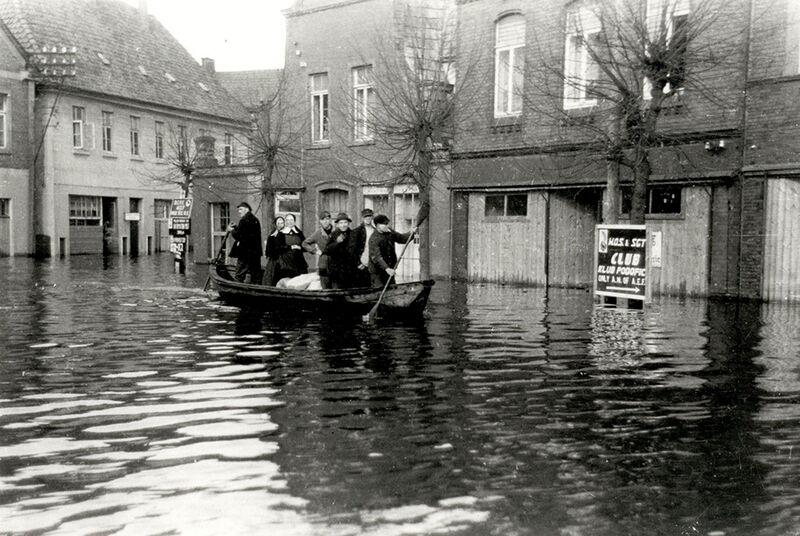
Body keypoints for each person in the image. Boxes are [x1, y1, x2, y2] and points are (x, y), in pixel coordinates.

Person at [368, 214, 417, 287]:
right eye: (385, 224)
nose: (387, 226)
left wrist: (411, 233)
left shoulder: (389, 232)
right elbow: (377, 257)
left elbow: (402, 238)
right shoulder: (374, 239)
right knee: (379, 291)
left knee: (392, 289)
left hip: (390, 268)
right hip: (378, 272)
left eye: (387, 224)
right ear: (378, 225)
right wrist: (386, 268)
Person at [228, 202, 263, 283]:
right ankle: (256, 289)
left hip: (245, 253)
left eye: (241, 209)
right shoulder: (255, 219)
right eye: (238, 210)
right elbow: (247, 233)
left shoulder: (244, 220)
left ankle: (236, 290)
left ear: (247, 209)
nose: (239, 211)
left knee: (239, 273)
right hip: (255, 253)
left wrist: (232, 230)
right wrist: (237, 227)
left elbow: (239, 235)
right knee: (255, 273)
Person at [323, 212, 359, 289]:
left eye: (345, 222)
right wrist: (337, 242)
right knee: (337, 292)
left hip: (350, 270)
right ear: (337, 224)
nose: (343, 225)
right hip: (336, 271)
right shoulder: (333, 235)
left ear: (348, 223)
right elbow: (327, 250)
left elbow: (356, 251)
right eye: (341, 223)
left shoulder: (353, 234)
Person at [302, 210, 333, 289]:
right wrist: (315, 251)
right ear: (320, 221)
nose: (326, 221)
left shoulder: (336, 231)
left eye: (327, 219)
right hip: (324, 264)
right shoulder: (318, 233)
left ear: (330, 220)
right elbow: (304, 243)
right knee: (325, 288)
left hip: (335, 264)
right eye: (323, 219)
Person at [275, 213, 308, 282]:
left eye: (291, 220)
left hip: (298, 262)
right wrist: (290, 247)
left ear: (294, 222)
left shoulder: (299, 233)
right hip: (286, 262)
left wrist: (300, 248)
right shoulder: (281, 233)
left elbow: (305, 246)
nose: (289, 222)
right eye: (287, 220)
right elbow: (278, 248)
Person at [353, 208, 375, 288]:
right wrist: (358, 263)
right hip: (361, 263)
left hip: (372, 262)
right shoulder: (357, 231)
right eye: (366, 217)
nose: (368, 218)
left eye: (369, 216)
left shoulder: (375, 230)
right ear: (362, 218)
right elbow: (352, 250)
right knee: (361, 285)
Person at [262, 216, 286, 285]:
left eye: (282, 223)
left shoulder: (285, 234)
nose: (280, 225)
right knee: (271, 277)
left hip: (284, 260)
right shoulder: (272, 236)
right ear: (275, 225)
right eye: (278, 223)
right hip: (274, 260)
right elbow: (268, 251)